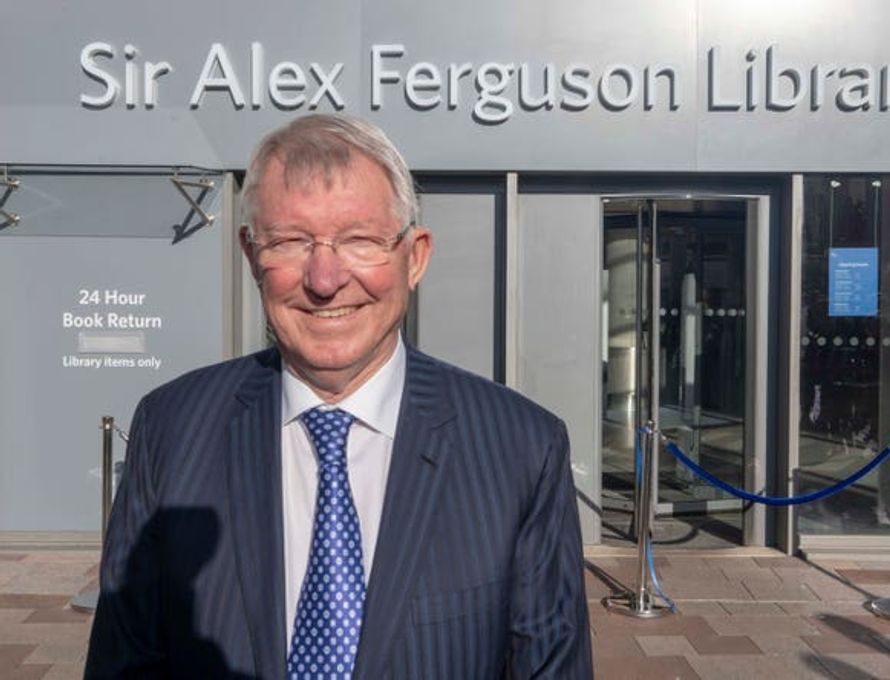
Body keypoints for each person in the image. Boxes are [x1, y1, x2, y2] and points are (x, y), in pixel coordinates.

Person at [85, 114, 593, 679]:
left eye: (359, 240)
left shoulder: (521, 447)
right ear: (253, 256)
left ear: (415, 255)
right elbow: (123, 663)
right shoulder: (172, 428)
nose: (324, 279)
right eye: (291, 242)